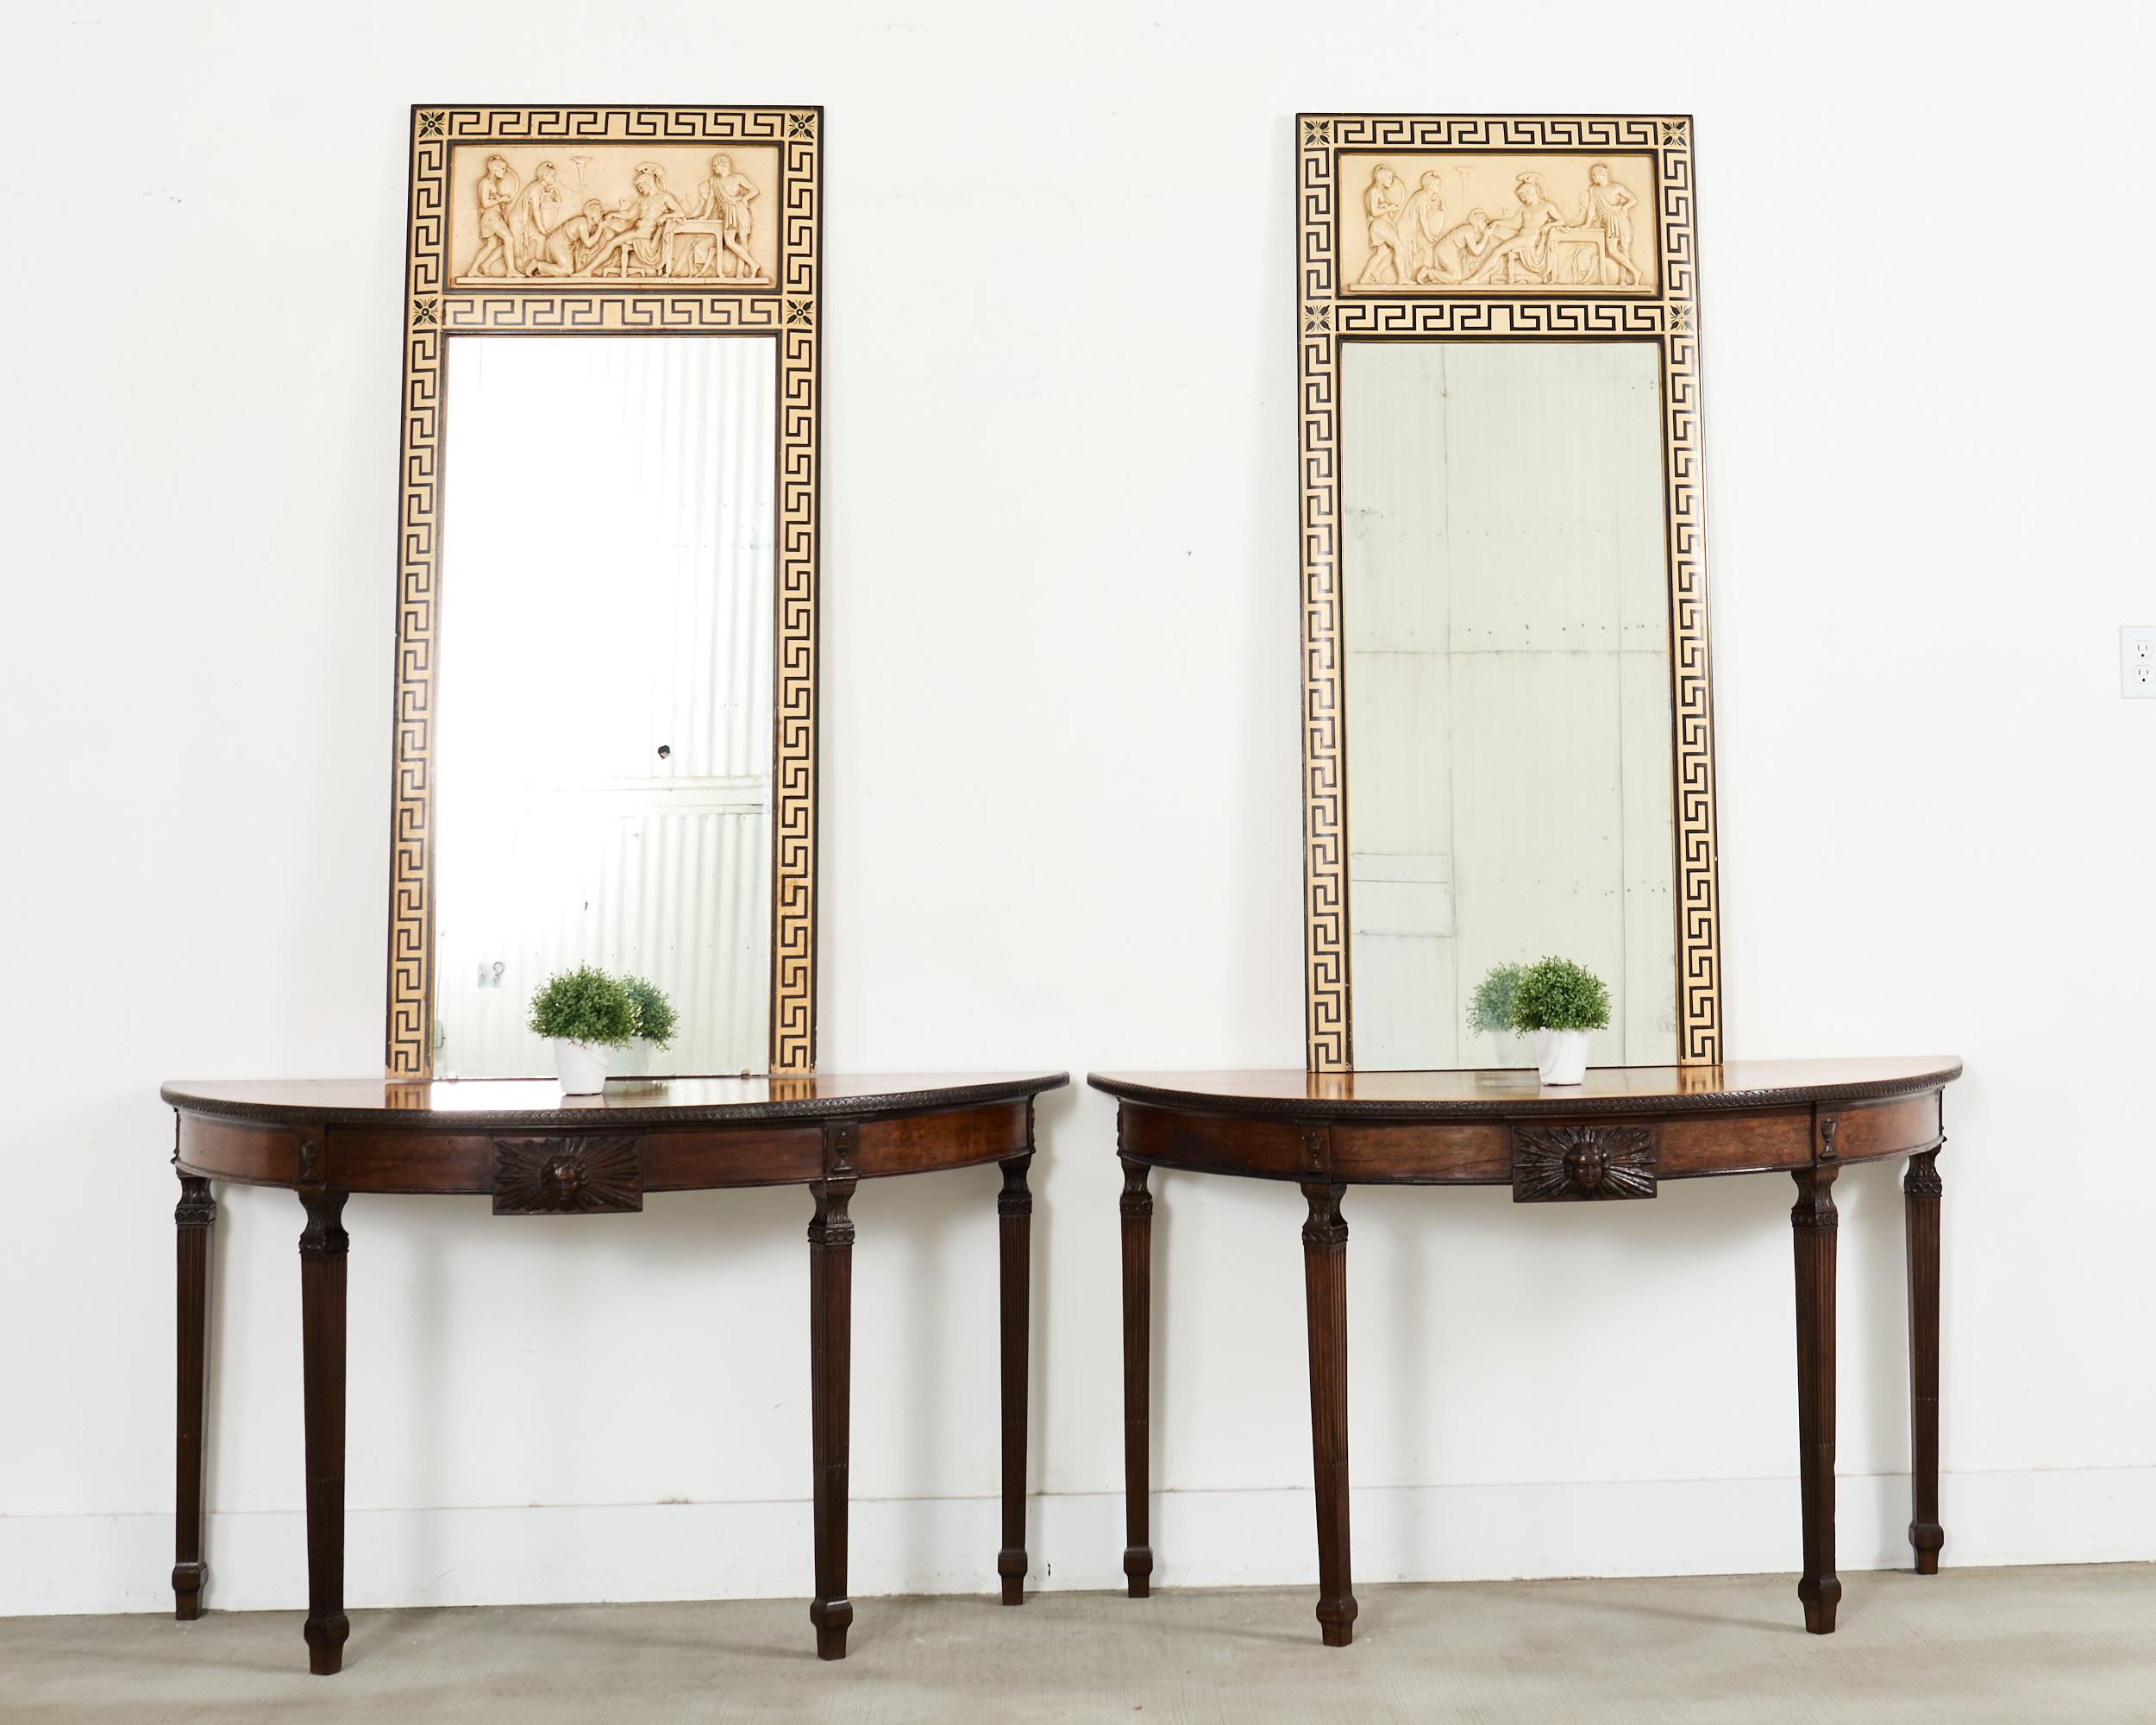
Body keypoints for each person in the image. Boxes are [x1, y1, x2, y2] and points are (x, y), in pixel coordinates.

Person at [1467, 172, 1569, 285]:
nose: (1522, 200)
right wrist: (1497, 222)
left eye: (1523, 196)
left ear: (1530, 192)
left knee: (1498, 250)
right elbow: (1514, 223)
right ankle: (1478, 275)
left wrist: (1548, 225)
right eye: (1521, 198)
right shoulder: (1524, 208)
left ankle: (1476, 278)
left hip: (1531, 239)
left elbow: (1562, 221)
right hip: (1521, 236)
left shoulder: (1547, 206)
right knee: (1494, 239)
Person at [693, 153, 765, 280]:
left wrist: (744, 199)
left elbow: (754, 190)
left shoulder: (737, 178)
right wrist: (705, 215)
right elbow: (711, 198)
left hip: (739, 210)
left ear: (723, 165)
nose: (714, 168)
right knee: (730, 242)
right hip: (727, 212)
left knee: (742, 240)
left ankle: (740, 274)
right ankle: (753, 264)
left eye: (715, 165)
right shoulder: (714, 180)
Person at [1574, 162, 1643, 285]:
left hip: (1619, 219)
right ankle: (1635, 272)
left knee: (1624, 249)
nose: (1592, 177)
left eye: (1594, 174)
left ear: (1603, 174)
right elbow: (1592, 207)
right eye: (1592, 175)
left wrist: (1624, 208)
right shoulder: (1593, 189)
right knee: (1612, 250)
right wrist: (1587, 223)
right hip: (1608, 221)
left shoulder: (1616, 187)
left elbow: (1633, 199)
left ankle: (1624, 280)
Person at [510, 160, 565, 273]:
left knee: (541, 238)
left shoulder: (540, 187)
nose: (554, 178)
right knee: (518, 249)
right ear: (544, 176)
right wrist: (541, 227)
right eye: (552, 176)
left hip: (524, 219)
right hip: (518, 219)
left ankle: (537, 266)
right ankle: (519, 271)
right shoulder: (537, 187)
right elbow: (536, 209)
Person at [1356, 166, 1406, 285]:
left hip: (1381, 224)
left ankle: (1365, 278)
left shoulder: (1379, 192)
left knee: (1381, 252)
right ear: (1381, 178)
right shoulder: (1374, 191)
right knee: (1399, 247)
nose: (1391, 180)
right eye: (1389, 178)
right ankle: (1402, 278)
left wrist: (1390, 212)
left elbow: (1380, 210)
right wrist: (1389, 208)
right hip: (1379, 225)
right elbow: (1374, 212)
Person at [470, 155, 519, 278]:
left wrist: (501, 202)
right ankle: (511, 271)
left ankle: (474, 269)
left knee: (491, 246)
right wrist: (502, 199)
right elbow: (485, 203)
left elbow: (490, 201)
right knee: (509, 239)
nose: (504, 171)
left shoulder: (491, 183)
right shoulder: (485, 182)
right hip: (491, 217)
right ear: (495, 168)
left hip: (492, 216)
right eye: (502, 169)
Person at [1399, 171, 1447, 282]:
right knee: (1405, 252)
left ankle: (1414, 275)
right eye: (1437, 185)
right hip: (1405, 228)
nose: (1439, 187)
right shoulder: (1423, 196)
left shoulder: (1424, 196)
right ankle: (1405, 277)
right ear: (1429, 185)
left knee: (1412, 250)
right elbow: (1422, 218)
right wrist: (1428, 236)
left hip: (1408, 227)